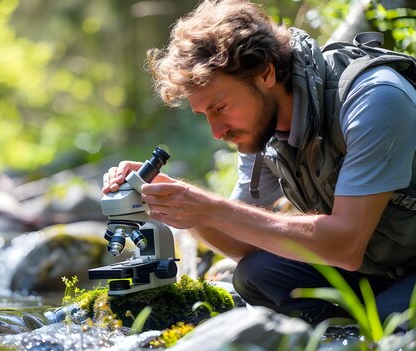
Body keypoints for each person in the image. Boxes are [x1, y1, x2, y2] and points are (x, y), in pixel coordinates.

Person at [103, 0, 416, 325]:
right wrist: (180, 208)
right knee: (256, 274)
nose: (217, 131)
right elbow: (245, 242)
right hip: (375, 265)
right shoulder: (262, 126)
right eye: (205, 115)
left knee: (385, 327)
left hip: (390, 259)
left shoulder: (374, 100)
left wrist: (211, 208)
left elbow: (345, 244)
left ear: (265, 72)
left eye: (220, 106)